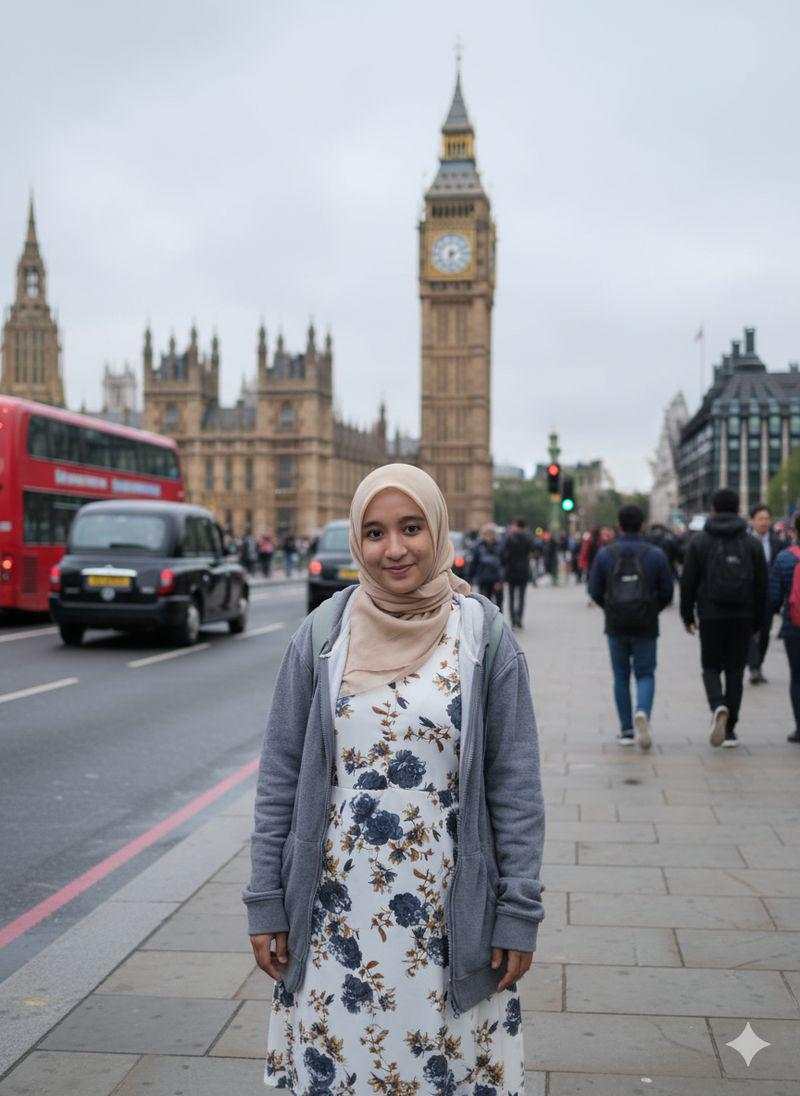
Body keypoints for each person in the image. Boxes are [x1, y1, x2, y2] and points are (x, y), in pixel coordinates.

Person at [243, 464, 545, 1093]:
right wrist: (266, 902)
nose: (394, 549)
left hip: (450, 916)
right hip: (334, 916)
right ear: (358, 542)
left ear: (437, 530)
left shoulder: (484, 634)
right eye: (375, 533)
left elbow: (514, 787)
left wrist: (518, 912)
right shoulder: (323, 635)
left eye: (411, 528)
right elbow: (279, 778)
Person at [680, 488, 768, 747]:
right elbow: (762, 585)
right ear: (739, 509)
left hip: (711, 613)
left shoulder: (699, 541)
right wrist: (759, 622)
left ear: (713, 509)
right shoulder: (751, 543)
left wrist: (688, 615)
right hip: (743, 614)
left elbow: (688, 582)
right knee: (735, 671)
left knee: (710, 666)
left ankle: (717, 705)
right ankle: (730, 730)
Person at [588, 505, 674, 748]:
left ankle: (626, 729)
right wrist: (651, 609)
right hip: (646, 623)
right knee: (645, 673)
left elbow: (594, 590)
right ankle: (643, 711)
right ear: (642, 524)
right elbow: (667, 591)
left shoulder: (606, 554)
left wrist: (611, 608)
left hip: (616, 624)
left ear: (619, 524)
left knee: (621, 676)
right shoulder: (655, 554)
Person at [769, 513, 800, 744]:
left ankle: (799, 728)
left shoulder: (784, 558)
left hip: (794, 627)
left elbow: (774, 598)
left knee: (797, 678)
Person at [747, 503, 785, 684]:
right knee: (748, 632)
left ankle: (758, 665)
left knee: (764, 633)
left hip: (768, 596)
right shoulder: (744, 541)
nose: (764, 522)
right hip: (748, 596)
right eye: (760, 519)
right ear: (752, 521)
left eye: (767, 519)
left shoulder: (777, 542)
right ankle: (753, 666)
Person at [502, 517, 536, 627]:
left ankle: (512, 619)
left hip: (511, 570)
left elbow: (504, 553)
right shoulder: (528, 538)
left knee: (511, 596)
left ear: (516, 526)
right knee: (521, 596)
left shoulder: (510, 537)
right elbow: (533, 549)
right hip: (523, 570)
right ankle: (519, 619)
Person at [467, 522, 505, 610]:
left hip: (496, 580)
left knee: (499, 606)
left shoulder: (500, 546)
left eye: (491, 533)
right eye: (486, 533)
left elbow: (503, 565)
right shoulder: (478, 546)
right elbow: (474, 564)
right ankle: (487, 623)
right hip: (484, 579)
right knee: (484, 605)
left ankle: (498, 623)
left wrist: (501, 580)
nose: (488, 536)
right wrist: (469, 580)